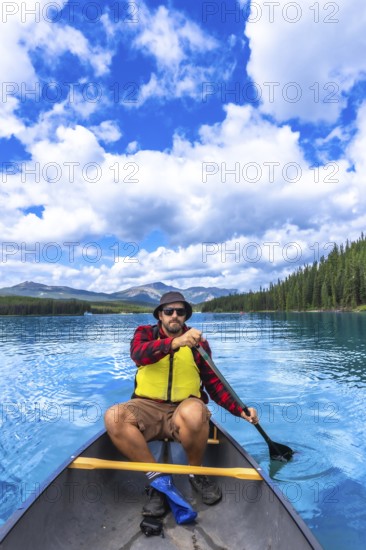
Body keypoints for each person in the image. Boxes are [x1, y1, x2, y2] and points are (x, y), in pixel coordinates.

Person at [104, 291, 258, 517]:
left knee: (197, 411)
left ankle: (195, 473)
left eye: (180, 311)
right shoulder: (144, 334)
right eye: (169, 311)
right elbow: (138, 355)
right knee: (113, 416)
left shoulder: (199, 344)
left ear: (186, 316)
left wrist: (240, 410)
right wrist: (175, 343)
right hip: (147, 408)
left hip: (184, 409)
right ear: (160, 315)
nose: (174, 315)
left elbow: (214, 385)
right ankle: (157, 480)